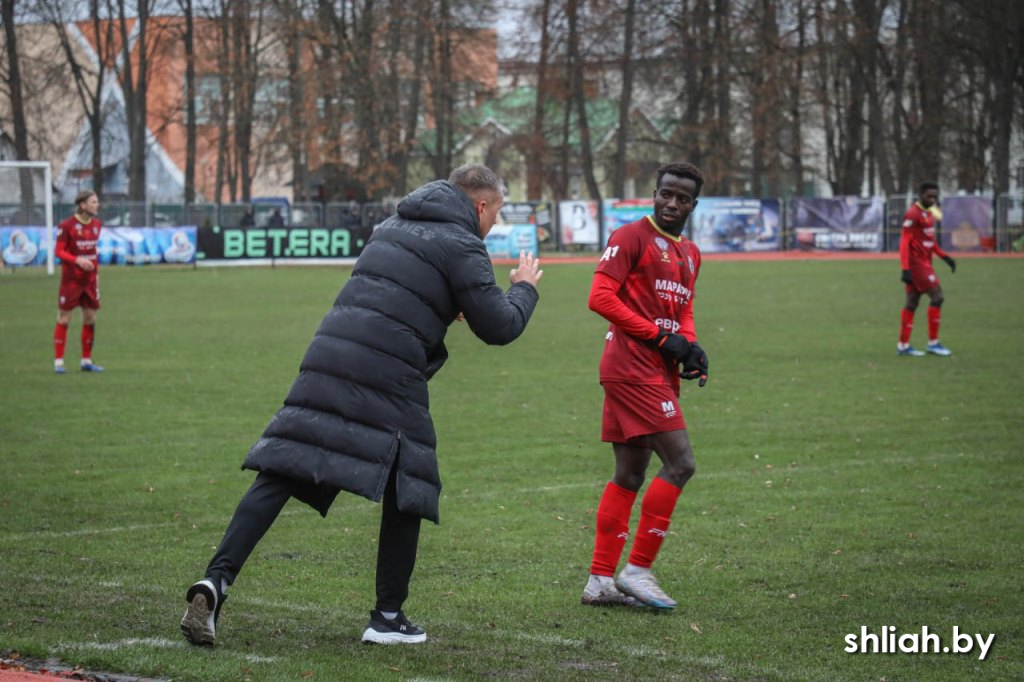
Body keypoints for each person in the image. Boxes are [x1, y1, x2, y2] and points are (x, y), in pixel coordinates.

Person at [180, 164, 542, 647]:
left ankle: (216, 581)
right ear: (480, 205)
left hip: (330, 355)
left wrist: (439, 310)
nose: (494, 223)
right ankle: (387, 617)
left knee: (283, 467)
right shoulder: (463, 244)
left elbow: (394, 297)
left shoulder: (391, 226)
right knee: (409, 484)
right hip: (388, 373)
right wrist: (524, 288)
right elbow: (498, 327)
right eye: (496, 213)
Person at [581, 161, 709, 610]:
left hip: (654, 369)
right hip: (632, 367)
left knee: (630, 474)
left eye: (682, 198)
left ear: (694, 203)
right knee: (681, 464)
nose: (671, 203)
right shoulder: (630, 237)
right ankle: (638, 569)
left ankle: (599, 582)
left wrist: (690, 347)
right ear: (654, 193)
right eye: (665, 194)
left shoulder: (691, 252)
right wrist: (661, 337)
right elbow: (599, 297)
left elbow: (683, 309)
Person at [897, 182, 956, 357]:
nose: (932, 199)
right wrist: (905, 269)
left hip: (925, 263)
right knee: (937, 296)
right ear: (920, 195)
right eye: (929, 196)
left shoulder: (928, 213)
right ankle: (933, 343)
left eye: (934, 197)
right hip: (917, 265)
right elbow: (904, 242)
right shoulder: (913, 214)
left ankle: (903, 345)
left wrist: (944, 257)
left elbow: (930, 240)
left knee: (912, 303)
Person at [53, 190, 104, 374]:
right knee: (64, 319)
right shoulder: (66, 226)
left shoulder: (97, 225)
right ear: (82, 205)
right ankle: (59, 362)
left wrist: (95, 273)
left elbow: (93, 252)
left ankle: (86, 361)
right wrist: (77, 260)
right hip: (71, 281)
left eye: (97, 201)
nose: (97, 205)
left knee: (90, 318)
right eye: (93, 202)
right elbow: (58, 251)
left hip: (90, 281)